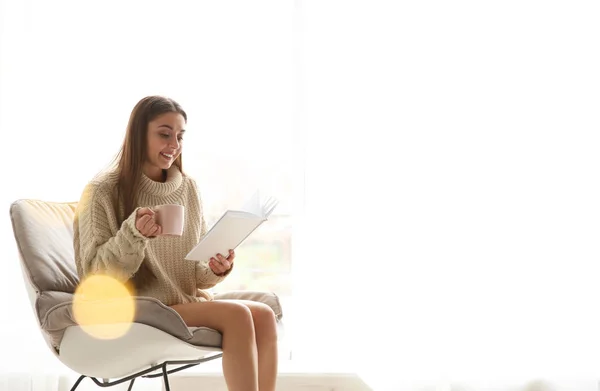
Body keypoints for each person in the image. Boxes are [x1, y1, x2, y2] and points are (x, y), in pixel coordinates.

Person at [73, 95, 278, 391]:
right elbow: (94, 275)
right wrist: (134, 234)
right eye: (164, 134)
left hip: (181, 302)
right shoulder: (103, 191)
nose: (174, 145)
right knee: (237, 315)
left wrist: (216, 267)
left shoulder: (188, 188)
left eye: (180, 136)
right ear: (138, 134)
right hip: (137, 305)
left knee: (264, 314)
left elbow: (195, 276)